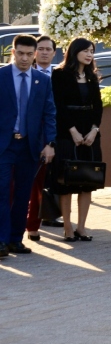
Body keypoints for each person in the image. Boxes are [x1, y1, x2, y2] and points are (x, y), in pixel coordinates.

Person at [0, 35, 55, 258]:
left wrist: (50, 143)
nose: (24, 58)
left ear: (34, 54)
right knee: (2, 192)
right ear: (12, 53)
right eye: (20, 53)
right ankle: (1, 240)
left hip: (30, 146)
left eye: (28, 54)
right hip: (4, 145)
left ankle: (15, 239)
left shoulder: (42, 80)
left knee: (24, 194)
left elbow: (49, 113)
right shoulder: (2, 76)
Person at [50, 37, 105, 242]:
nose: (90, 54)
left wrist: (94, 130)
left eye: (92, 50)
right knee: (66, 182)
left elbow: (98, 107)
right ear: (75, 52)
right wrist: (72, 130)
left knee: (87, 180)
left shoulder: (91, 76)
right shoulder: (60, 74)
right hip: (67, 133)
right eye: (86, 50)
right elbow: (59, 105)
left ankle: (82, 227)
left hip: (89, 133)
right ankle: (67, 227)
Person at [25, 35, 59, 243]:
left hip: (48, 139)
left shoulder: (59, 75)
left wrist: (51, 142)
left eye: (49, 49)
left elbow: (52, 112)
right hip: (21, 139)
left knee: (42, 185)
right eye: (41, 49)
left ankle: (36, 223)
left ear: (55, 53)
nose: (44, 52)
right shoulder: (19, 75)